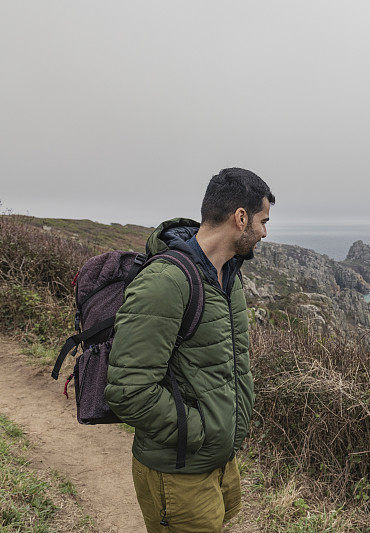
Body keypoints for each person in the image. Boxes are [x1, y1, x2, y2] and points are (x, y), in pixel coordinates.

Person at [105, 167, 276, 532]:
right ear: (240, 218)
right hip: (179, 467)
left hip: (219, 460)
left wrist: (222, 433)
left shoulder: (228, 277)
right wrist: (198, 431)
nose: (264, 232)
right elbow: (129, 390)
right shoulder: (166, 282)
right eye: (263, 221)